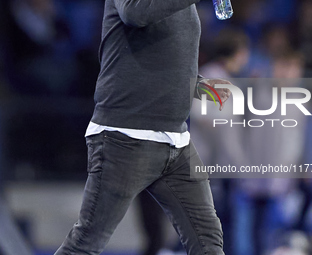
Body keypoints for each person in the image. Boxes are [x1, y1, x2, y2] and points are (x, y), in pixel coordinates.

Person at [54, 1, 231, 254]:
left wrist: (203, 87)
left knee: (208, 240)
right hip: (124, 138)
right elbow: (135, 13)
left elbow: (169, 59)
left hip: (176, 142)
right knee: (86, 243)